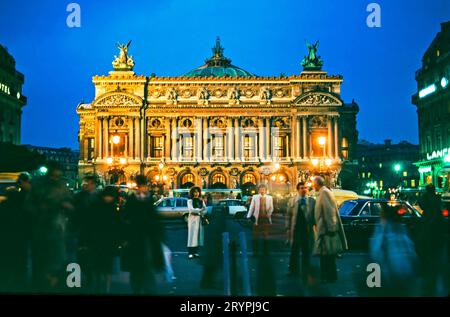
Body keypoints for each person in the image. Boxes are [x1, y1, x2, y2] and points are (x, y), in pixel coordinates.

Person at [30, 161, 73, 292]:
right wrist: (41, 208)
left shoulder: (61, 186)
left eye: (58, 176)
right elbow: (29, 205)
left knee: (57, 257)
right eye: (53, 175)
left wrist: (67, 205)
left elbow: (70, 202)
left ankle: (53, 281)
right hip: (41, 227)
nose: (56, 178)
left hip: (57, 228)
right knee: (41, 259)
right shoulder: (38, 185)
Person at [121, 175, 164, 294]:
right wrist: (125, 237)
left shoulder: (149, 199)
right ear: (138, 187)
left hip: (147, 236)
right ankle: (136, 288)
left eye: (144, 186)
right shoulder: (132, 199)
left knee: (148, 263)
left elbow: (154, 218)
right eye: (141, 187)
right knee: (136, 265)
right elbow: (125, 218)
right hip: (134, 237)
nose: (143, 189)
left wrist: (158, 234)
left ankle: (149, 288)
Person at [369, 204, 418, 296]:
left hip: (392, 272)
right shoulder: (401, 229)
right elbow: (411, 251)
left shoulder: (383, 229)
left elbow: (376, 251)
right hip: (405, 272)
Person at [0, 172, 33, 292]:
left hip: (7, 240)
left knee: (7, 264)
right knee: (20, 263)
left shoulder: (4, 207)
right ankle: (20, 283)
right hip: (20, 239)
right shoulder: (22, 204)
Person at [84, 186, 120, 294]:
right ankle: (101, 287)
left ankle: (106, 289)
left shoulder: (112, 207)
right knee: (100, 267)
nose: (109, 198)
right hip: (99, 240)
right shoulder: (99, 206)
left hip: (107, 241)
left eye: (111, 197)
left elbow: (117, 225)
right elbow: (89, 224)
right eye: (108, 196)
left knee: (106, 267)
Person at [312, 176, 347, 283]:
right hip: (324, 229)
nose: (313, 186)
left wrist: (330, 228)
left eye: (314, 183)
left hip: (326, 230)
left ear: (318, 184)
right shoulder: (323, 192)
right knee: (326, 255)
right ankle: (328, 276)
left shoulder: (324, 193)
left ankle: (328, 276)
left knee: (327, 256)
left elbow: (329, 211)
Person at [417, 184, 446, 296]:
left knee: (425, 240)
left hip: (428, 222)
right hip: (436, 222)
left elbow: (421, 204)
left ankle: (426, 262)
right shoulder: (437, 198)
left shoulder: (425, 198)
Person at [286, 182, 315, 278]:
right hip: (296, 229)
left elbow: (315, 216)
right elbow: (288, 215)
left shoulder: (312, 201)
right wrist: (287, 228)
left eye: (306, 188)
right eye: (302, 188)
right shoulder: (292, 201)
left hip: (307, 230)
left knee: (306, 251)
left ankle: (305, 269)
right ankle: (293, 270)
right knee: (294, 251)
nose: (304, 189)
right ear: (298, 189)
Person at [247, 184, 274, 256]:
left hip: (266, 219)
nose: (262, 190)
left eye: (263, 189)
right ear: (258, 190)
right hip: (257, 219)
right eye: (260, 189)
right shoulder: (255, 197)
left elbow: (271, 207)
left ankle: (266, 252)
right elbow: (252, 207)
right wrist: (248, 216)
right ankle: (255, 253)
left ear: (265, 190)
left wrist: (269, 213)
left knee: (266, 237)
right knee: (255, 237)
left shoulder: (270, 198)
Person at [187, 186, 207, 259]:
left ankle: (195, 252)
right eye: (195, 192)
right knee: (192, 235)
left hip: (199, 219)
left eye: (197, 192)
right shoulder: (190, 201)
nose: (196, 193)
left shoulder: (201, 201)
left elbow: (205, 210)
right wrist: (200, 210)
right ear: (192, 193)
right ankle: (190, 252)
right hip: (192, 219)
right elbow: (191, 210)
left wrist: (200, 211)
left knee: (198, 236)